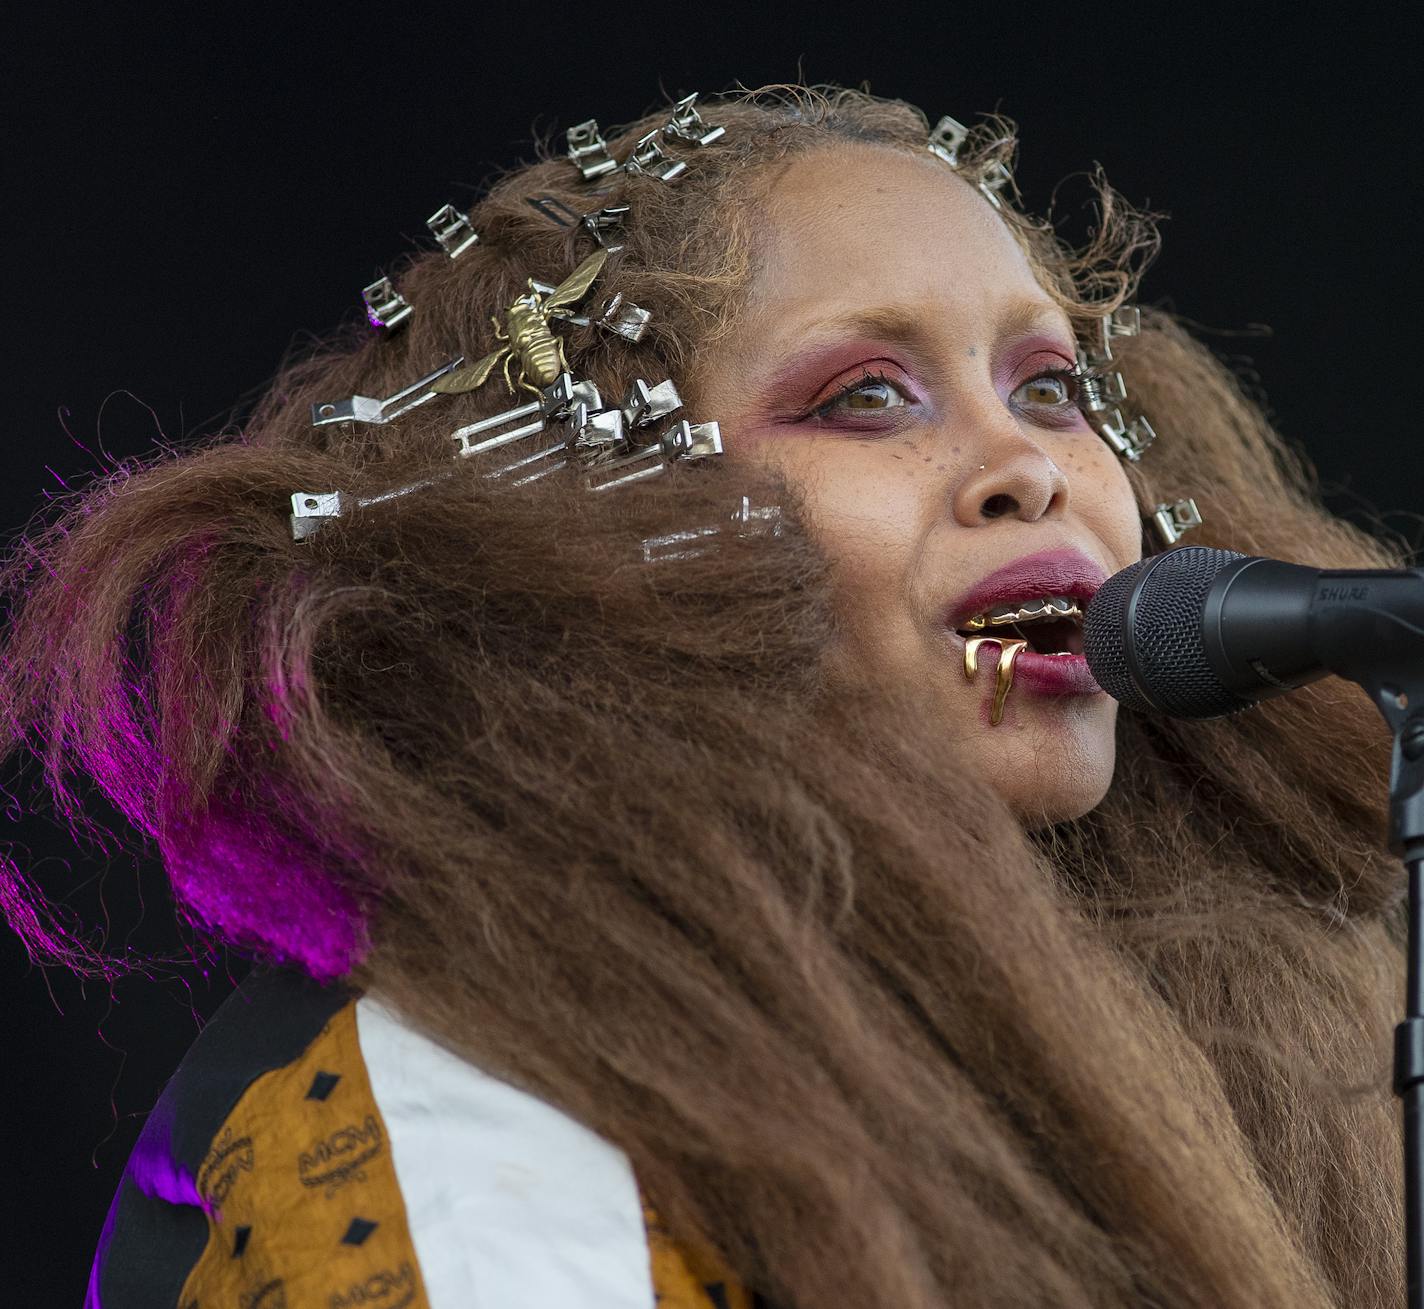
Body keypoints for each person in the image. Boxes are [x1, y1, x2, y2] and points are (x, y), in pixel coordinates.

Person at [0, 84, 1407, 1308]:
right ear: (612, 534)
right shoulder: (477, 1119)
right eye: (866, 397)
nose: (1025, 464)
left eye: (1051, 386)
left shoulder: (1236, 1073)